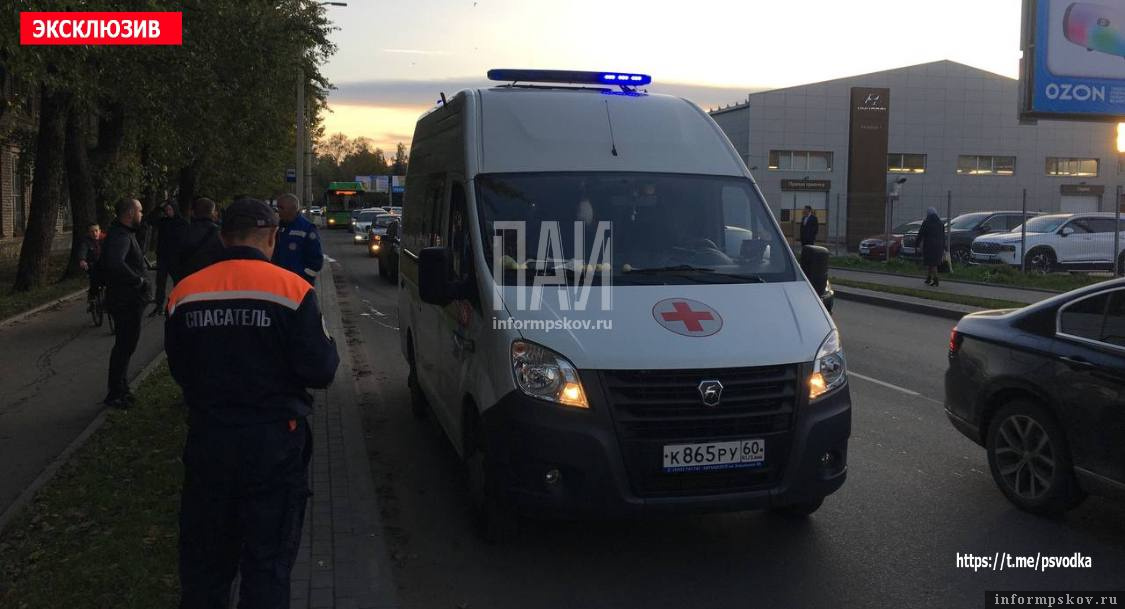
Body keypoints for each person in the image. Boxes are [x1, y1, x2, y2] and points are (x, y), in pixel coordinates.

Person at [165, 198, 339, 609]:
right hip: (273, 446)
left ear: (224, 237)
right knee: (267, 566)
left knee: (206, 567)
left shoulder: (185, 292)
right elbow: (321, 371)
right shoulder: (293, 291)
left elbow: (180, 369)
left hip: (210, 443)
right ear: (273, 237)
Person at [102, 198, 150, 408]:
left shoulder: (124, 233)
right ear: (130, 213)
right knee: (124, 346)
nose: (142, 214)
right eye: (140, 211)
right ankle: (115, 393)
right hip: (126, 300)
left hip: (128, 299)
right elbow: (115, 262)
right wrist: (137, 280)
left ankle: (121, 388)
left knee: (127, 345)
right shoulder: (120, 236)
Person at [272, 193, 324, 285]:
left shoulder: (307, 228)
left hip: (298, 283)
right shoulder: (277, 227)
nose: (278, 211)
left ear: (293, 208)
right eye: (277, 208)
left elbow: (316, 261)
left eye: (281, 208)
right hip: (279, 281)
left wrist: (305, 278)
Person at [173, 197, 224, 282]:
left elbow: (175, 256)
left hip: (187, 278)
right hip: (210, 278)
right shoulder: (219, 233)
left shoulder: (184, 231)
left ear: (194, 212)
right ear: (212, 213)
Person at [151, 202, 188, 316]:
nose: (168, 212)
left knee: (177, 282)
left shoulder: (182, 223)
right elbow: (150, 220)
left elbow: (185, 240)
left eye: (170, 209)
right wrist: (159, 207)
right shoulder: (163, 221)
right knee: (160, 282)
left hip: (175, 257)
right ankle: (159, 305)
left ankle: (175, 303)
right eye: (166, 210)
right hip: (163, 256)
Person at [917, 206, 946, 287]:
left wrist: (916, 243)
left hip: (929, 246)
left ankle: (936, 279)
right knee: (932, 263)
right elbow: (943, 236)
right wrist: (944, 247)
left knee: (932, 263)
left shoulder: (926, 222)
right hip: (939, 246)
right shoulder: (940, 223)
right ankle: (929, 278)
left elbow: (921, 234)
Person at [79, 223, 105, 308]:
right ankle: (92, 296)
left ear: (100, 231)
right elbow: (83, 250)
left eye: (96, 231)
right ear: (89, 233)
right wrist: (82, 260)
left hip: (104, 264)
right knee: (94, 280)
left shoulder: (105, 239)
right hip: (92, 265)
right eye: (92, 231)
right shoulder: (86, 241)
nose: (94, 233)